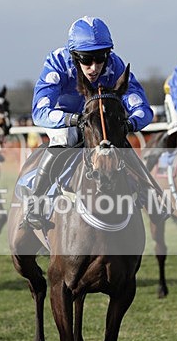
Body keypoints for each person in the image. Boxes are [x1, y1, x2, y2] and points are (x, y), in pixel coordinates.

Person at [24, 16, 155, 229]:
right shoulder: (57, 62)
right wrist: (73, 120)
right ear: (75, 56)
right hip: (65, 117)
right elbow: (40, 110)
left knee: (116, 137)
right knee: (66, 137)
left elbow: (141, 107)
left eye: (100, 58)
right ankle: (36, 202)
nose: (94, 68)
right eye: (86, 60)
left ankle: (153, 198)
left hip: (96, 118)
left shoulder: (115, 65)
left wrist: (128, 125)